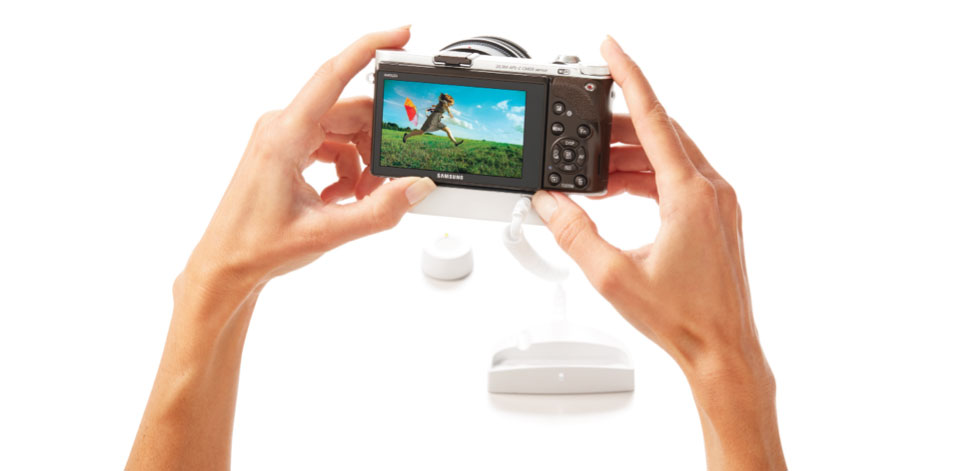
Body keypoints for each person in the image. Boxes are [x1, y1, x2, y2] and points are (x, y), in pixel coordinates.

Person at [125, 26, 786, 471]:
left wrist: (209, 285)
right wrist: (726, 362)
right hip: (434, 131)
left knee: (437, 137)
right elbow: (438, 116)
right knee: (432, 137)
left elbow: (444, 113)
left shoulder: (442, 108)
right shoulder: (437, 109)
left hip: (434, 133)